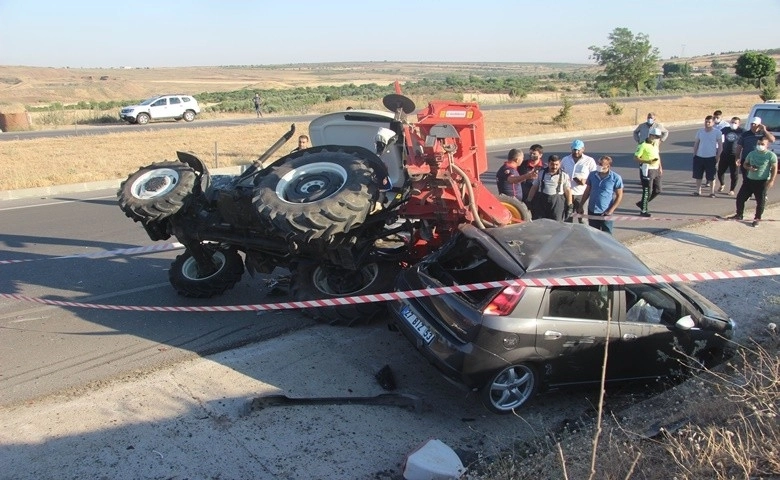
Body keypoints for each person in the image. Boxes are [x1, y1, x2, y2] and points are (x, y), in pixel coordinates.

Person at [728, 138, 777, 227]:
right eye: (758, 143)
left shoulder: (771, 155)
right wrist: (749, 167)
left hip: (762, 181)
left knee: (760, 202)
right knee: (740, 198)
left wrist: (771, 180)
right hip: (749, 180)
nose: (760, 146)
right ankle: (739, 215)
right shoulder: (752, 153)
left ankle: (757, 219)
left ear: (767, 145)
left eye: (762, 144)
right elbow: (745, 164)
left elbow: (774, 168)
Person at [581, 156, 624, 234]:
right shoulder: (592, 175)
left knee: (606, 235)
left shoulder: (615, 178)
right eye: (598, 163)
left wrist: (611, 210)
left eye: (601, 164)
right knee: (593, 234)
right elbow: (587, 191)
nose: (599, 165)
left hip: (605, 212)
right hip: (592, 210)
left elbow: (619, 195)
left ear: (608, 166)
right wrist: (581, 205)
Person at [526, 154, 573, 222]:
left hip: (557, 202)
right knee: (540, 222)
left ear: (560, 164)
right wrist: (529, 200)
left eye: (556, 164)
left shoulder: (564, 175)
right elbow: (534, 187)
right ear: (548, 163)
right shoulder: (541, 173)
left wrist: (570, 205)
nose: (554, 167)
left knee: (557, 223)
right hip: (542, 201)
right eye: (552, 164)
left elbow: (568, 190)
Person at [561, 139, 597, 223]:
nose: (576, 152)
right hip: (567, 194)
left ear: (583, 149)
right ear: (571, 149)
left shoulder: (589, 161)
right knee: (567, 219)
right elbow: (560, 173)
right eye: (574, 149)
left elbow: (594, 176)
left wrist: (584, 181)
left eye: (578, 150)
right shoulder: (565, 160)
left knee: (583, 219)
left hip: (582, 194)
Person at [736, 117, 777, 188]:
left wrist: (764, 130)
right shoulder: (745, 134)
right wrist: (737, 157)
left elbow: (772, 140)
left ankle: (762, 193)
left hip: (761, 160)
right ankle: (748, 193)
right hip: (747, 159)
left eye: (755, 124)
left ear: (759, 125)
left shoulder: (764, 134)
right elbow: (739, 146)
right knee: (746, 178)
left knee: (761, 179)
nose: (753, 126)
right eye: (752, 124)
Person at [634, 127, 663, 217]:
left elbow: (657, 155)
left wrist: (660, 167)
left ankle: (642, 203)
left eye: (658, 137)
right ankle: (643, 210)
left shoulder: (655, 144)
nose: (657, 139)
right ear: (651, 135)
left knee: (658, 190)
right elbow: (636, 157)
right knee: (647, 190)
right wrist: (647, 161)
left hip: (656, 169)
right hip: (647, 169)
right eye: (655, 136)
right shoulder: (642, 145)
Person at [691, 115, 723, 197]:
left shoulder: (717, 132)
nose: (707, 123)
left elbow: (720, 146)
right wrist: (694, 154)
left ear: (713, 123)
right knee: (698, 175)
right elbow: (696, 143)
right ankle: (698, 191)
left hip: (711, 157)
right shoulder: (700, 131)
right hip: (699, 157)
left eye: (709, 122)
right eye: (706, 121)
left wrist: (718, 156)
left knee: (711, 176)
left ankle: (712, 192)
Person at [716, 117, 744, 196]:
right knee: (720, 171)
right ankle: (722, 184)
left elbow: (748, 136)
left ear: (739, 124)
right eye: (732, 122)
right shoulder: (726, 129)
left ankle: (732, 189)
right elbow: (717, 133)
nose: (733, 124)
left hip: (734, 155)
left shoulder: (741, 131)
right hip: (725, 153)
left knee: (734, 173)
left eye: (735, 123)